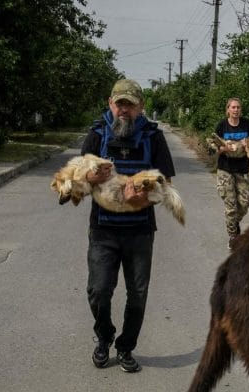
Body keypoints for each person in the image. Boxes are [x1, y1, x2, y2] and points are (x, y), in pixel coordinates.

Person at [81, 79, 176, 373]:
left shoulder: (153, 137)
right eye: (119, 103)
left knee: (137, 294)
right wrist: (90, 181)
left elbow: (166, 183)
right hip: (103, 230)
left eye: (130, 104)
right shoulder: (96, 136)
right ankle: (104, 335)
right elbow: (74, 183)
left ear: (140, 107)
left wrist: (145, 195)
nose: (124, 109)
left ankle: (125, 347)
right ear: (110, 103)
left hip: (140, 232)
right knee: (99, 290)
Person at [214, 97, 249, 249]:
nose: (236, 110)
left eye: (238, 107)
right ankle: (233, 236)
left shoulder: (246, 124)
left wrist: (247, 145)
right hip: (225, 169)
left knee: (245, 202)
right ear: (228, 110)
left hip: (242, 169)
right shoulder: (222, 126)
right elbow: (215, 148)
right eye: (233, 107)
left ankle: (233, 222)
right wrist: (224, 149)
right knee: (230, 205)